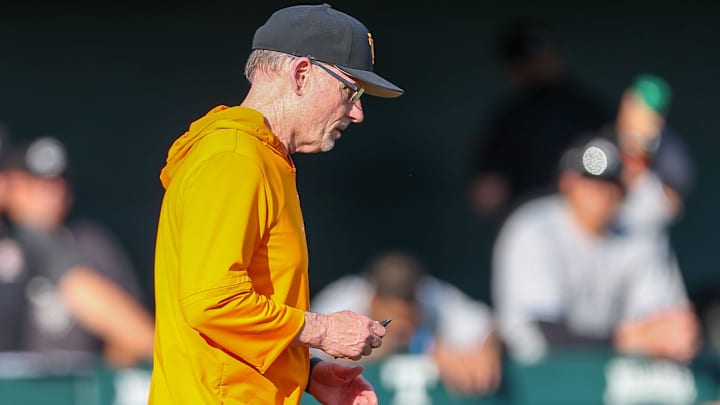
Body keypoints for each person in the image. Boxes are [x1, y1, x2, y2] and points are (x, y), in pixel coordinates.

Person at [150, 4, 403, 405]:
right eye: (349, 90)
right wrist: (322, 331)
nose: (357, 112)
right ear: (301, 73)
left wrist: (305, 372)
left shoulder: (259, 156)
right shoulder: (233, 157)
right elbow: (213, 301)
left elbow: (234, 320)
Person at [492, 137, 700, 365]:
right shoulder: (533, 228)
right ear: (567, 182)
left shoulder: (636, 235)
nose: (600, 194)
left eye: (610, 184)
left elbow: (660, 319)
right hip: (535, 382)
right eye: (590, 182)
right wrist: (628, 340)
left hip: (610, 376)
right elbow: (541, 336)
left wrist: (671, 334)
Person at [1, 136, 154, 368]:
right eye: (34, 184)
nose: (47, 195)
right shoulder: (12, 241)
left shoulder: (84, 243)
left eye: (55, 184)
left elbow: (135, 336)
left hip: (67, 386)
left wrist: (104, 383)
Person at [468, 19, 611, 218]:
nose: (542, 65)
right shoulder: (511, 118)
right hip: (544, 226)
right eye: (533, 60)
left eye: (546, 57)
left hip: (570, 225)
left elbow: (487, 196)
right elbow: (487, 192)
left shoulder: (591, 112)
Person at [311, 251, 502, 396]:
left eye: (408, 316)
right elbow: (315, 352)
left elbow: (486, 325)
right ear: (374, 299)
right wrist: (427, 346)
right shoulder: (341, 303)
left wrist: (487, 351)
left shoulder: (431, 294)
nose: (402, 325)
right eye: (393, 316)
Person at [597, 74, 695, 236]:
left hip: (645, 244)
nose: (647, 119)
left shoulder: (668, 150)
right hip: (599, 241)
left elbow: (673, 201)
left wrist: (642, 157)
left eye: (653, 114)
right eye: (640, 108)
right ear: (626, 102)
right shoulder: (601, 140)